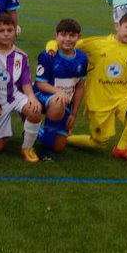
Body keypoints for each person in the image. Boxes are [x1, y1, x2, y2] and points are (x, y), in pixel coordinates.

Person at [64, 11, 127, 162]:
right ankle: (68, 139)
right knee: (99, 143)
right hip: (99, 99)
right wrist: (51, 47)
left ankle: (121, 149)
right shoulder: (96, 44)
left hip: (123, 98)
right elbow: (65, 45)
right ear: (117, 25)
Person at [0, 12, 42, 158]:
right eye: (1, 31)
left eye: (9, 30)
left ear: (15, 31)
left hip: (15, 96)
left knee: (35, 109)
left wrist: (31, 97)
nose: (6, 34)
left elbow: (26, 82)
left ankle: (27, 148)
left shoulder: (21, 56)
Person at [31, 18, 89, 161]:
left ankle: (34, 130)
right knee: (58, 102)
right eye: (63, 35)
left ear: (79, 37)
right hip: (42, 95)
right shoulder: (47, 56)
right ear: (56, 36)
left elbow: (80, 87)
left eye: (72, 35)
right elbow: (40, 84)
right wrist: (58, 92)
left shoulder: (82, 58)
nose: (67, 39)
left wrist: (74, 114)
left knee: (59, 147)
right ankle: (45, 150)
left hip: (64, 102)